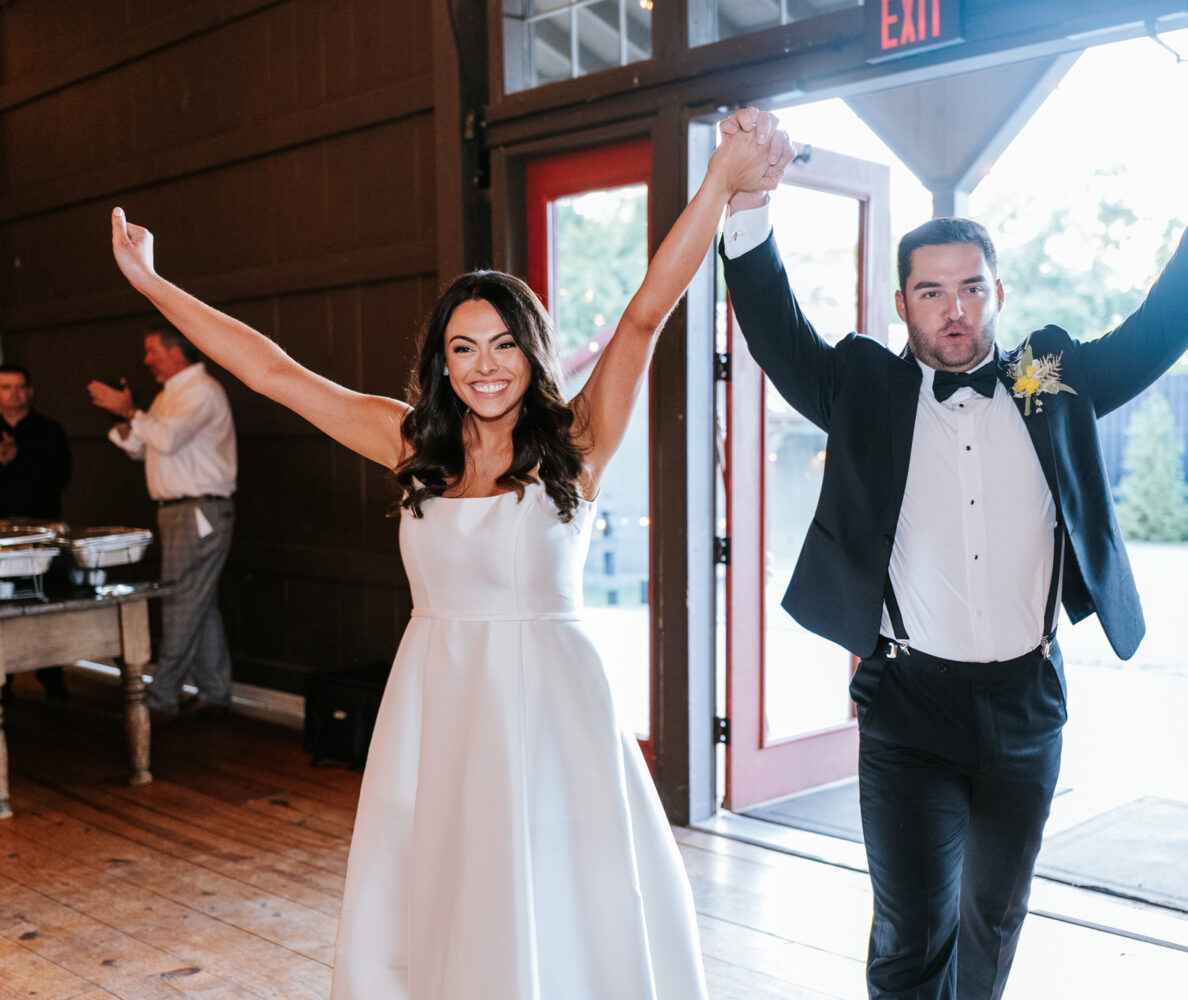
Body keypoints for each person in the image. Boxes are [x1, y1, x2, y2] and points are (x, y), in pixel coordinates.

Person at [106, 118, 792, 998]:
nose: (486, 366)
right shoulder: (408, 445)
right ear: (441, 363)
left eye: (504, 343)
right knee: (442, 895)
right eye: (463, 348)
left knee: (556, 893)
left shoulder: (577, 440)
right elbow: (275, 373)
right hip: (435, 703)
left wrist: (720, 184)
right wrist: (152, 283)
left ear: (531, 347)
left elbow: (646, 312)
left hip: (551, 709)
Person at [719, 107, 1188, 999]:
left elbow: (1159, 333)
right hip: (908, 704)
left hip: (1024, 704)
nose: (954, 308)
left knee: (995, 920)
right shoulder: (866, 390)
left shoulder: (1049, 380)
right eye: (931, 291)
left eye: (971, 287)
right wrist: (746, 202)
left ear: (998, 293)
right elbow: (776, 330)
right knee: (912, 929)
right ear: (902, 304)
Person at [87, 327, 237, 721]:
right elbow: (141, 446)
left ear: (176, 352)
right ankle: (215, 691)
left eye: (152, 350)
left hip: (198, 512)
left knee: (180, 602)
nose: (146, 359)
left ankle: (161, 696)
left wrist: (129, 413)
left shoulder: (201, 391)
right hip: (180, 511)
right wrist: (125, 418)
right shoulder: (168, 396)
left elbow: (166, 439)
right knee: (197, 602)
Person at [0, 363, 73, 700]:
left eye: (19, 387)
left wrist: (21, 456)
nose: (13, 394)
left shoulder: (49, 430)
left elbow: (62, 476)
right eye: (5, 387)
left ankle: (53, 677)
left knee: (47, 602)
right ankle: (5, 680)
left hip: (40, 535)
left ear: (30, 391)